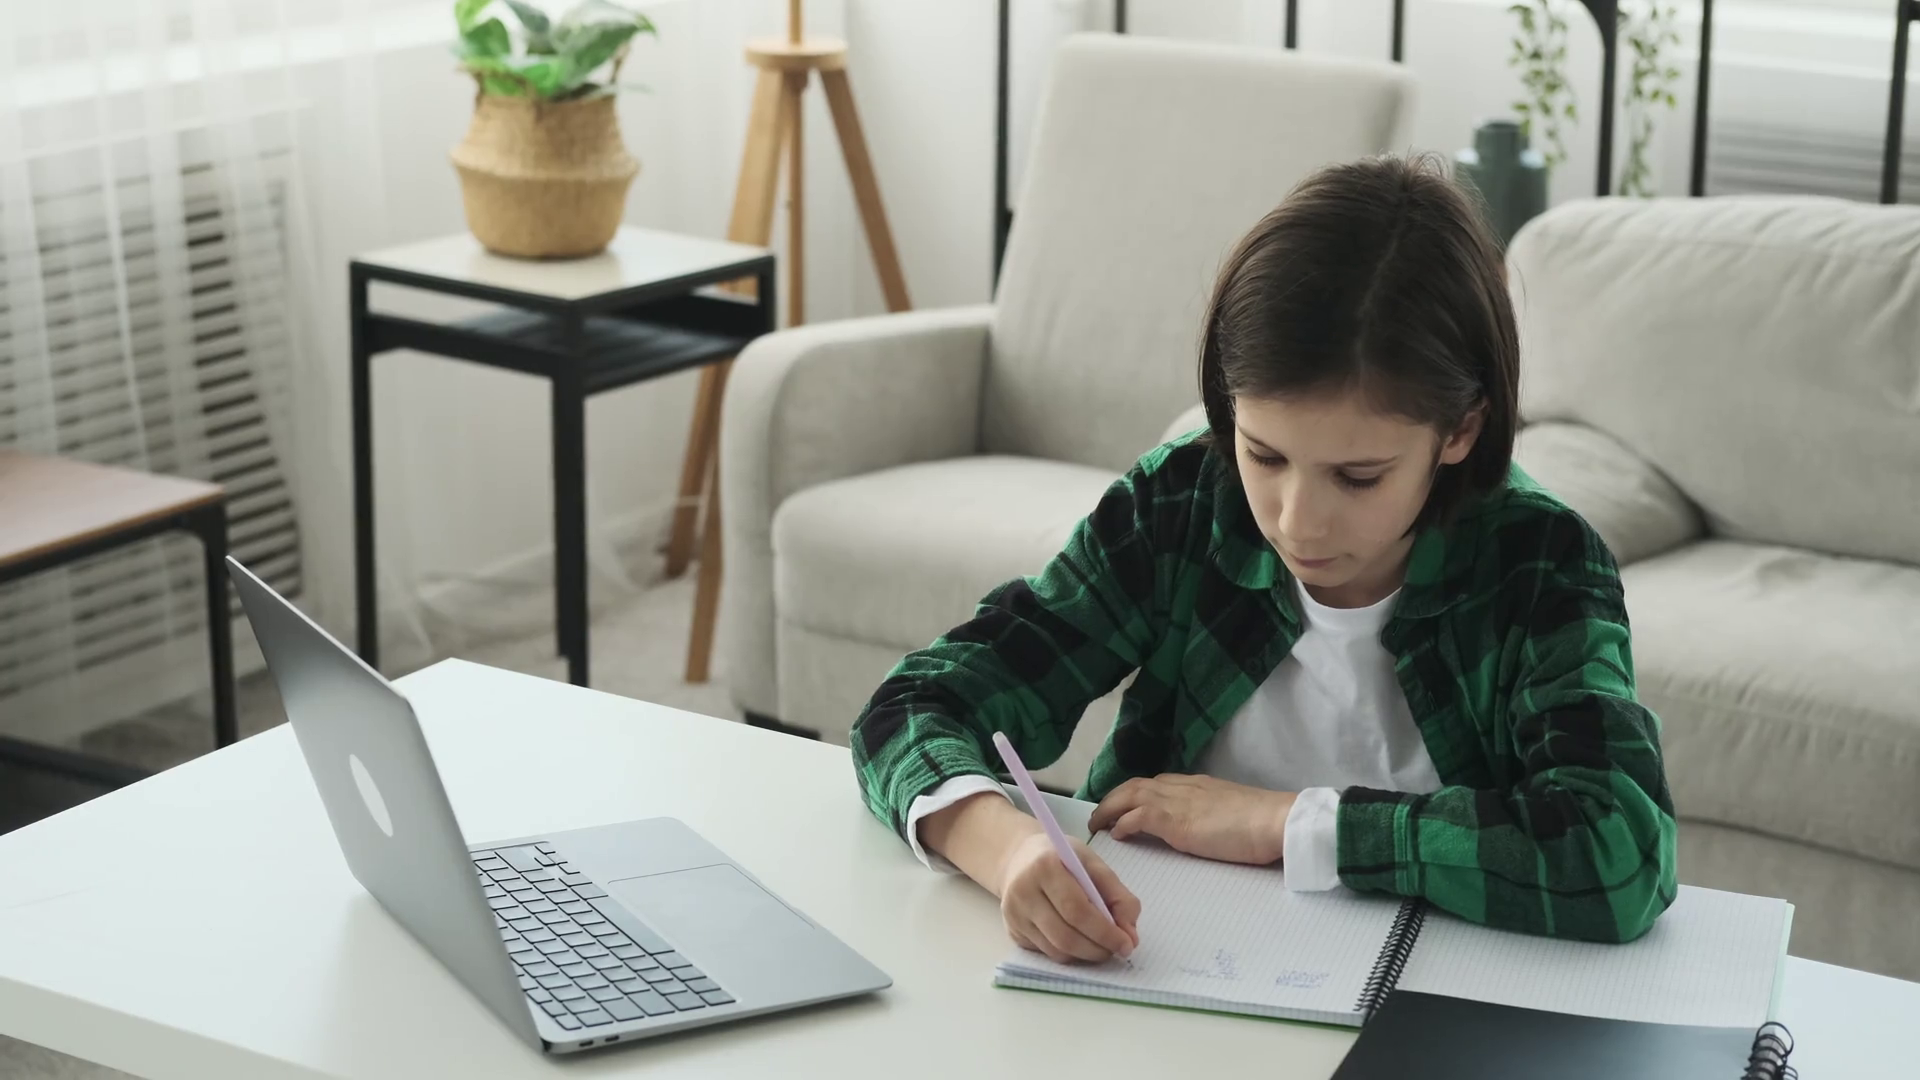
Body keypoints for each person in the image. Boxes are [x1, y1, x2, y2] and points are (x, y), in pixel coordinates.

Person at [849, 153, 1677, 966]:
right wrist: (1007, 851)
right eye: (1265, 454)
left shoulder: (1543, 566)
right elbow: (915, 707)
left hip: (1430, 1010)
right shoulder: (1180, 506)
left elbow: (1619, 853)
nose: (1295, 521)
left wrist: (1289, 825)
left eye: (1358, 477)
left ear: (1460, 430)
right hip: (1161, 974)